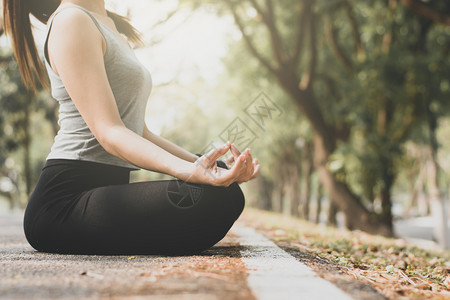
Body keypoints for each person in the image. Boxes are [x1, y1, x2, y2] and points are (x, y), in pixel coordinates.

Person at [2, 0, 260, 255]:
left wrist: (204, 166)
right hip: (64, 203)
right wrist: (190, 173)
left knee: (225, 186)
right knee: (215, 198)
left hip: (103, 193)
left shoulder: (109, 24)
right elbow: (109, 132)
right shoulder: (71, 20)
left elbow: (139, 131)